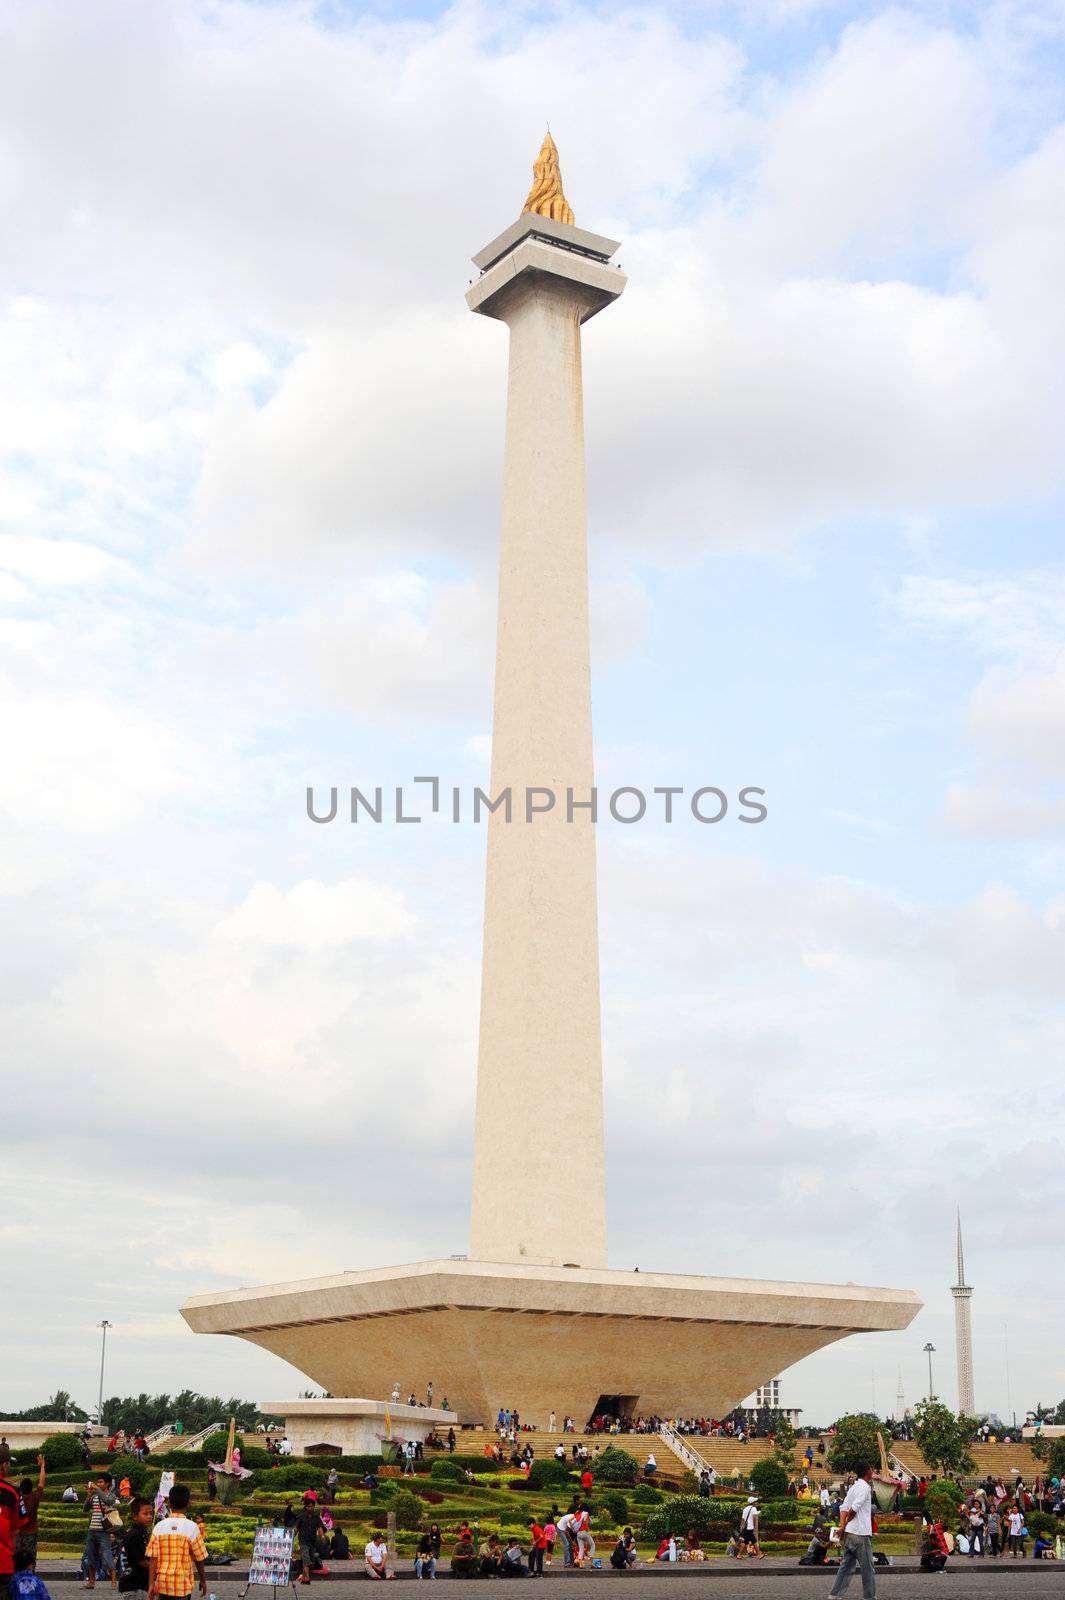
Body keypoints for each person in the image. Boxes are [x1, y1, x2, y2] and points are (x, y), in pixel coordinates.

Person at [145, 1483, 207, 1600]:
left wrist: (151, 1585)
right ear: (189, 1503)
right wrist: (203, 1580)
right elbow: (199, 1559)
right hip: (182, 1585)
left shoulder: (159, 1526)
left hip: (163, 1584)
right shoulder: (193, 1527)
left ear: (169, 1504)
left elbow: (153, 1558)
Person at [830, 1461, 876, 1599]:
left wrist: (844, 1526)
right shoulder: (865, 1487)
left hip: (850, 1534)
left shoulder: (854, 1487)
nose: (872, 1471)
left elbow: (843, 1508)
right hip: (860, 1533)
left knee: (846, 1567)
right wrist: (844, 1526)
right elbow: (853, 1509)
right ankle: (869, 1597)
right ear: (867, 1472)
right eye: (871, 1468)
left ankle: (835, 1594)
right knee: (867, 1568)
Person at [83, 1473, 118, 1592]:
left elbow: (108, 1501)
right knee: (91, 1555)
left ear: (107, 1483)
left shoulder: (111, 1495)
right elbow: (85, 1509)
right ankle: (91, 1582)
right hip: (92, 1529)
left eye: (101, 1482)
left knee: (107, 1554)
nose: (98, 1484)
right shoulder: (95, 1496)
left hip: (104, 1531)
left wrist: (97, 1490)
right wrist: (88, 1496)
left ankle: (113, 1581)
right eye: (97, 1482)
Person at [15, 1459, 46, 1571]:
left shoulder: (17, 1498)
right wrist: (42, 1466)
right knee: (30, 1559)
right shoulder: (35, 1497)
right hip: (31, 1533)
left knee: (16, 1560)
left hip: (18, 1534)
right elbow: (41, 1483)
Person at [118, 1500, 152, 1595]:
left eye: (151, 1513)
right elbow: (141, 1561)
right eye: (145, 1514)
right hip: (134, 1586)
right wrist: (158, 1571)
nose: (149, 1516)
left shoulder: (142, 1532)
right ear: (135, 1516)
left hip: (139, 1584)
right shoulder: (135, 1534)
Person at [294, 1494, 324, 1584]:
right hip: (303, 1542)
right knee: (306, 1559)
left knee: (310, 1563)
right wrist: (291, 1537)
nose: (310, 1508)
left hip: (312, 1542)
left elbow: (320, 1528)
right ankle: (307, 1578)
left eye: (312, 1506)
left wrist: (322, 1536)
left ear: (314, 1507)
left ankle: (303, 1577)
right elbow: (296, 1529)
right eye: (309, 1506)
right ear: (306, 1507)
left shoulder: (316, 1518)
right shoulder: (301, 1517)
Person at [739, 1497, 764, 1561]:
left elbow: (743, 1520)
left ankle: (758, 1554)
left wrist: (741, 1527)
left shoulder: (745, 1509)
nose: (756, 1503)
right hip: (750, 1527)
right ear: (753, 1502)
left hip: (746, 1528)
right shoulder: (753, 1508)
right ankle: (758, 1554)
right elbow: (754, 1518)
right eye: (755, 1501)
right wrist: (755, 1528)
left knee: (749, 1541)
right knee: (752, 1541)